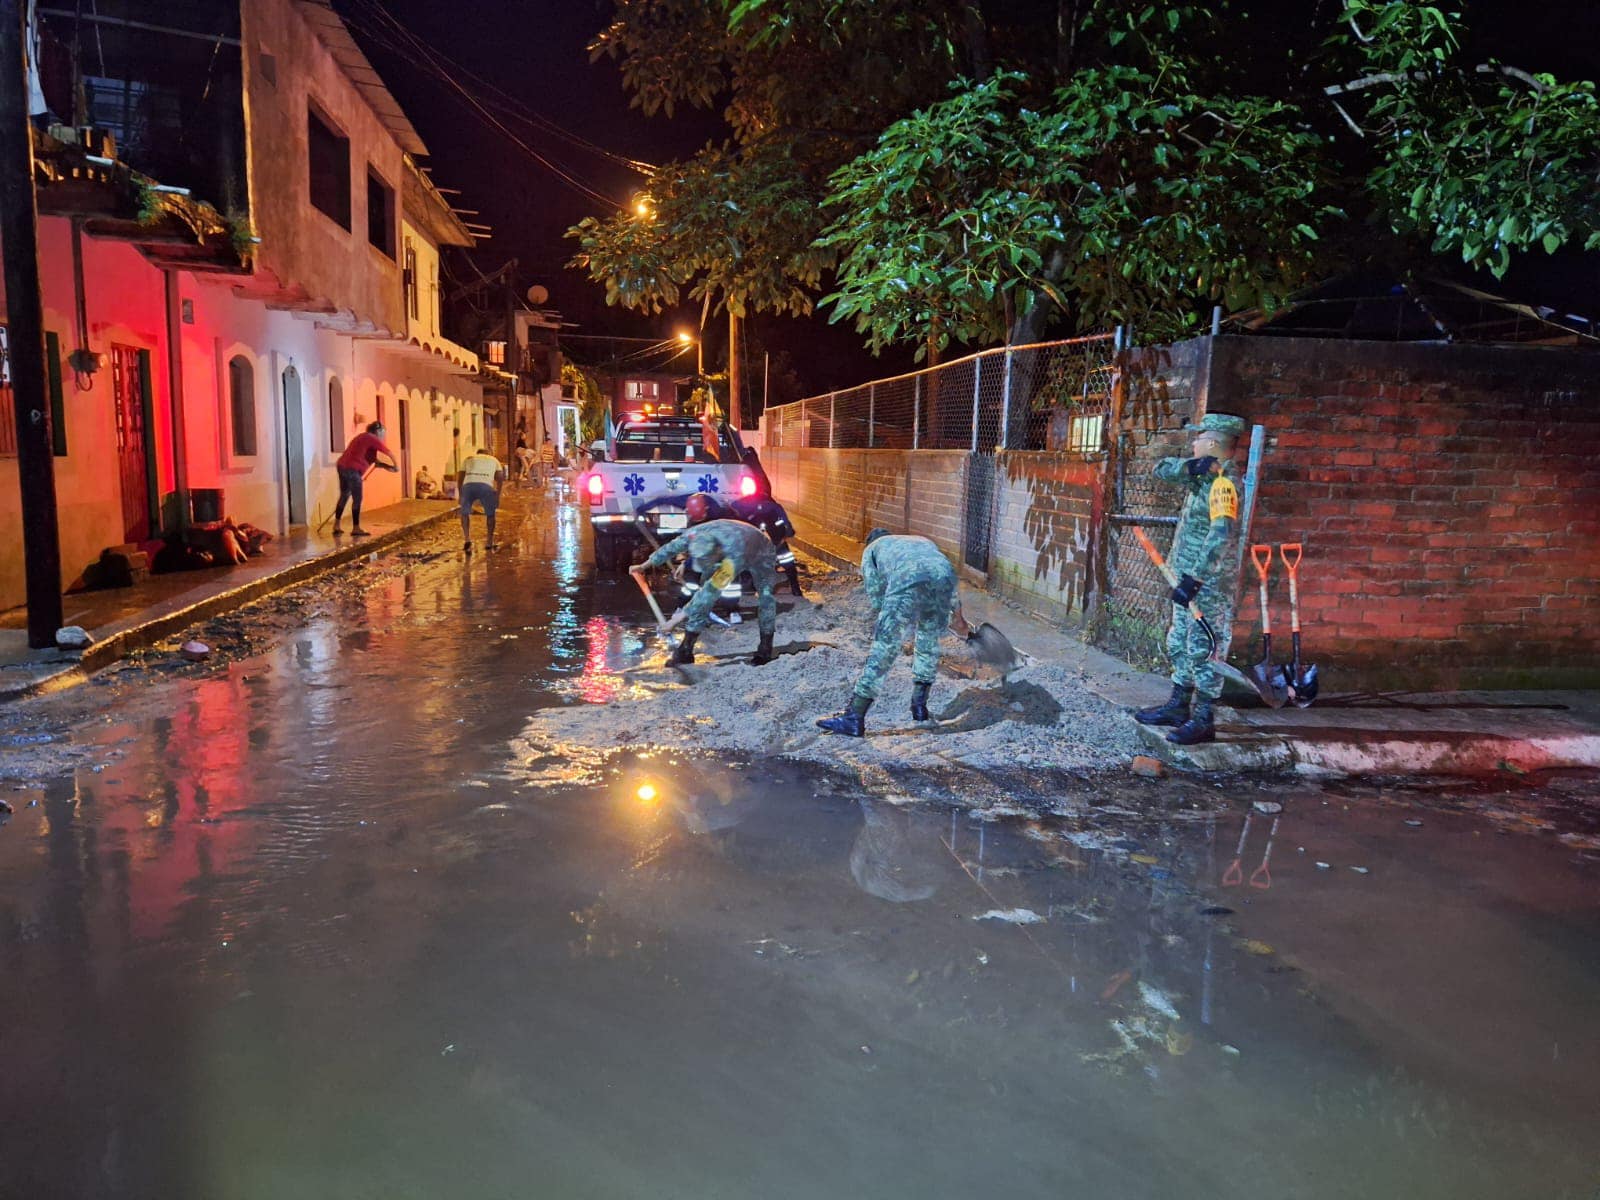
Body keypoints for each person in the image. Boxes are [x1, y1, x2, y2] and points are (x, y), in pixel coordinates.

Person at [1133, 412, 1246, 746]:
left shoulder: (1224, 485)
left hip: (1207, 584)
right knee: (1179, 641)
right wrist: (1190, 467)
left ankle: (1204, 718)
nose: (1193, 442)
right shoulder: (1203, 477)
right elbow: (1160, 469)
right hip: (1185, 577)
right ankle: (1179, 705)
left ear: (1212, 443)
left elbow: (1221, 536)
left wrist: (1196, 579)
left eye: (1198, 438)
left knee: (1204, 649)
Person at [816, 529, 972, 738]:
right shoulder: (920, 539)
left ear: (871, 541)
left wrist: (894, 623)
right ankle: (920, 711)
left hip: (909, 578)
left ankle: (853, 717)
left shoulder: (872, 550)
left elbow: (877, 597)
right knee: (928, 642)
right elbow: (954, 608)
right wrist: (961, 622)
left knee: (884, 648)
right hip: (945, 575)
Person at [631, 518, 779, 667]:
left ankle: (765, 650)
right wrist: (644, 566)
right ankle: (686, 651)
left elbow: (710, 592)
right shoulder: (694, 534)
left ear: (717, 552)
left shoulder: (734, 555)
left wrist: (675, 620)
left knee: (765, 596)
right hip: (726, 546)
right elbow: (670, 548)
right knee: (702, 594)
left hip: (761, 552)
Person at [333, 421, 399, 536]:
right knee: (357, 498)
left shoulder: (363, 438)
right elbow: (390, 453)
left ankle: (337, 525)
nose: (383, 436)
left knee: (344, 495)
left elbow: (375, 462)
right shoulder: (372, 438)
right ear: (378, 431)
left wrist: (388, 467)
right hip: (352, 469)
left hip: (342, 466)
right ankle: (356, 528)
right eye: (383, 433)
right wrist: (397, 466)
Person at [458, 446, 507, 554]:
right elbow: (500, 477)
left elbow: (460, 476)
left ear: (478, 453)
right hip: (486, 486)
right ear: (488, 454)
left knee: (464, 513)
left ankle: (467, 539)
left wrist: (460, 494)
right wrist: (497, 494)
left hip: (468, 485)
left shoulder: (469, 458)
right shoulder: (494, 459)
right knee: (490, 515)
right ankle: (489, 541)